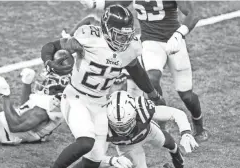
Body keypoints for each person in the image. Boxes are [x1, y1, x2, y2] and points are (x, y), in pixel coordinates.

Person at [42, 5, 165, 168]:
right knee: (86, 142)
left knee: (93, 162)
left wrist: (153, 94)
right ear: (107, 30)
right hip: (76, 97)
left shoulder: (131, 48)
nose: (124, 41)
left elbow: (136, 71)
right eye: (119, 36)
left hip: (100, 103)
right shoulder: (89, 38)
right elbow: (52, 46)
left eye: (127, 36)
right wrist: (48, 62)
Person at [79, 0, 209, 142]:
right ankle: (162, 125)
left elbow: (193, 14)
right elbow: (120, 2)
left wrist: (179, 34)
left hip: (174, 41)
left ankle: (199, 125)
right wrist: (95, 4)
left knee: (186, 95)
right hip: (150, 42)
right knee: (151, 80)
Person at [102, 91, 198, 168]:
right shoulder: (101, 125)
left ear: (135, 112)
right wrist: (112, 161)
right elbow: (93, 158)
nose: (123, 130)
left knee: (169, 143)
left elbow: (176, 113)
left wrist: (186, 132)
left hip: (147, 132)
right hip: (127, 146)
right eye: (118, 126)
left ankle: (176, 154)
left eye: (126, 124)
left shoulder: (143, 109)